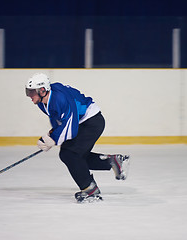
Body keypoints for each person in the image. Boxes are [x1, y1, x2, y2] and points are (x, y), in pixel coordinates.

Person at [25, 73, 130, 203]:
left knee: (70, 155)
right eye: (28, 91)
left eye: (31, 92)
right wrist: (52, 134)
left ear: (42, 90)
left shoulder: (60, 99)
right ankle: (112, 161)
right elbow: (59, 119)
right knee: (72, 156)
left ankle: (90, 191)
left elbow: (71, 128)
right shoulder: (42, 102)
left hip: (91, 122)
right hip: (81, 123)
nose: (29, 95)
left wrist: (53, 138)